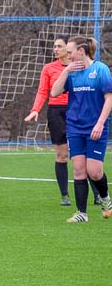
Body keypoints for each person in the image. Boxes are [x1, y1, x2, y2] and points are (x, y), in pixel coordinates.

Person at [24, 35, 101, 206]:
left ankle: (98, 194)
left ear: (70, 49)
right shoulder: (49, 68)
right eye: (54, 46)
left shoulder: (84, 67)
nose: (55, 49)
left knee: (84, 156)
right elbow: (43, 91)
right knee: (62, 155)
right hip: (56, 113)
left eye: (59, 46)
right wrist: (35, 109)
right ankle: (65, 196)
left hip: (78, 112)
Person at [51, 36, 112, 223]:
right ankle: (82, 213)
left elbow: (109, 98)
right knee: (78, 170)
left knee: (94, 171)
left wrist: (100, 123)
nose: (67, 56)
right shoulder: (72, 72)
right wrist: (66, 71)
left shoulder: (100, 70)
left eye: (70, 52)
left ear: (81, 51)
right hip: (75, 126)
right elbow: (54, 92)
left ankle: (106, 199)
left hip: (95, 127)